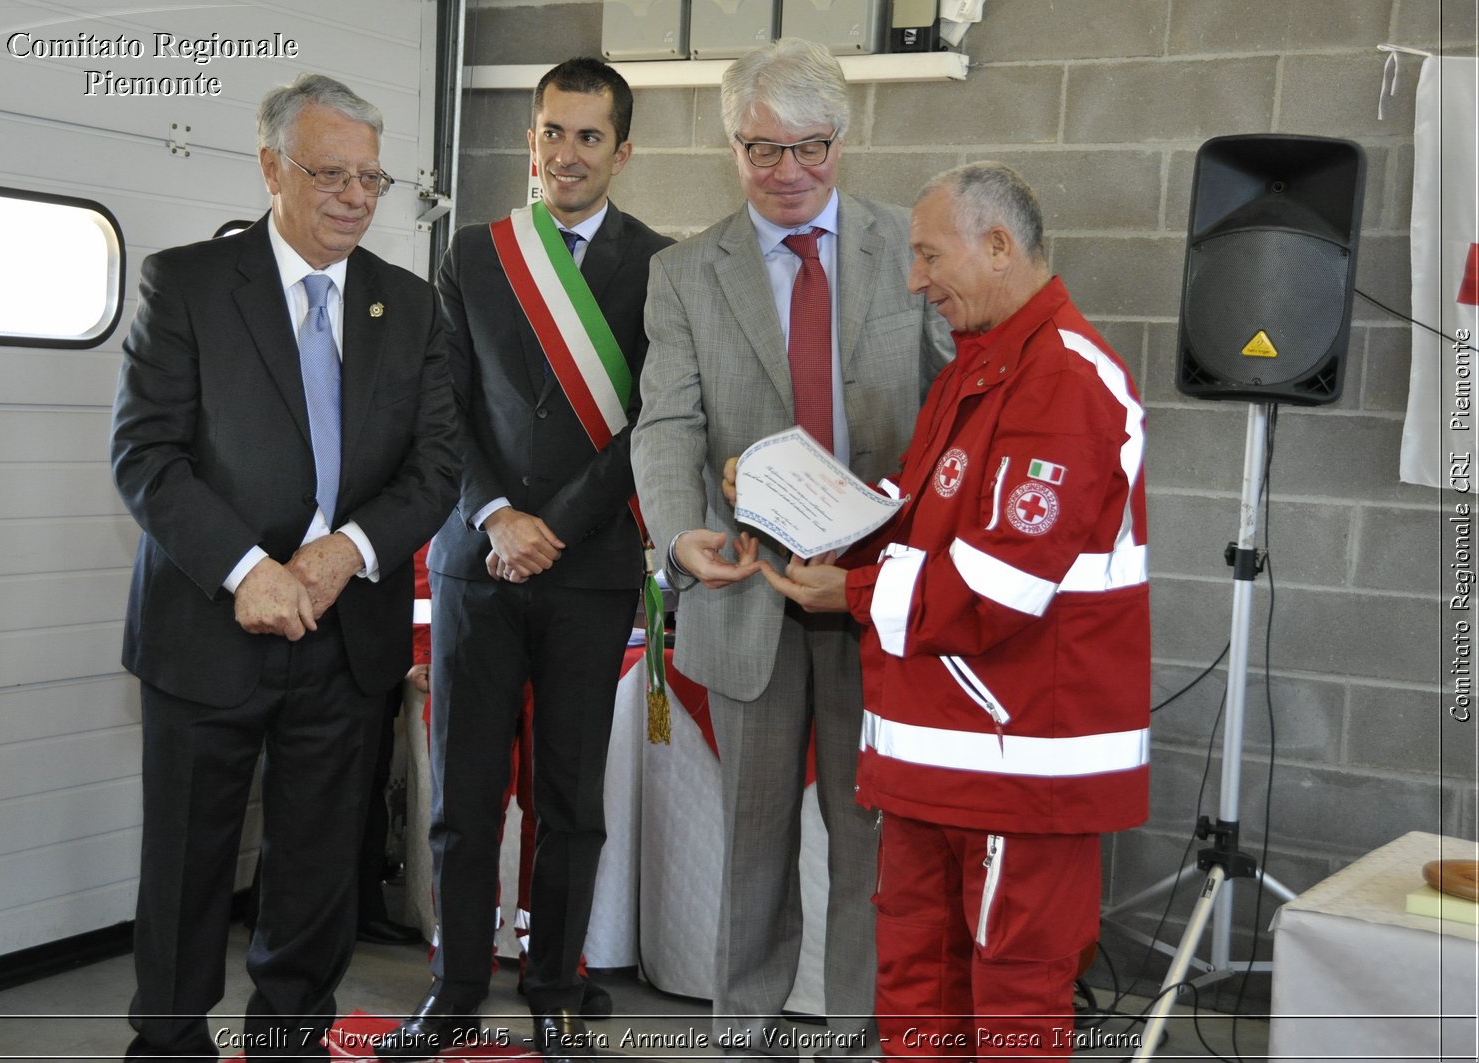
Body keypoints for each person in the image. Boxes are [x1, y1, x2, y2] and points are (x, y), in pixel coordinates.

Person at [761, 162, 1151, 1057]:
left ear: (1000, 246)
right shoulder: (979, 367)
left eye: (930, 255)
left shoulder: (1064, 380)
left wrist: (848, 592)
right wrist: (796, 510)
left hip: (1016, 774)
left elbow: (998, 588)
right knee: (918, 989)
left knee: (1012, 1003)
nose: (913, 279)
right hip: (937, 763)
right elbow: (909, 510)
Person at [110, 73, 459, 1060]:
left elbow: (438, 465)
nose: (355, 197)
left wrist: (346, 553)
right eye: (330, 174)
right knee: (186, 863)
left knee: (315, 869)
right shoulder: (186, 286)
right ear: (270, 167)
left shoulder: (411, 307)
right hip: (206, 628)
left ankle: (290, 1039)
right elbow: (146, 453)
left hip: (344, 636)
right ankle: (169, 1041)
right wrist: (246, 569)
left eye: (372, 179)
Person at [630, 37, 948, 1060]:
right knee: (754, 841)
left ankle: (860, 1034)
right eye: (760, 150)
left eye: (807, 146)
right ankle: (744, 1030)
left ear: (841, 140)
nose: (787, 172)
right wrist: (680, 531)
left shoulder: (909, 251)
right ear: (731, 147)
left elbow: (953, 415)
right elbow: (665, 424)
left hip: (871, 593)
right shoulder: (683, 272)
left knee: (871, 845)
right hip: (745, 590)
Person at [378, 57, 671, 1063]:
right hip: (477, 560)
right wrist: (498, 514)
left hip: (588, 569)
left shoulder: (657, 263)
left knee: (569, 796)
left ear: (622, 151)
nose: (567, 153)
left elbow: (650, 423)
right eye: (552, 132)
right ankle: (454, 991)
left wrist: (558, 522)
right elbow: (442, 403)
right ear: (530, 140)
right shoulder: (473, 253)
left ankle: (553, 985)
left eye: (589, 136)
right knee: (463, 796)